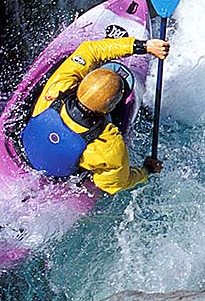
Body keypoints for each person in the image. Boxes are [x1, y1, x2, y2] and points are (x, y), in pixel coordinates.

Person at [21, 36, 170, 194]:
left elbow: (90, 50)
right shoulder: (108, 143)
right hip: (63, 175)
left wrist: (142, 46)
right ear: (110, 107)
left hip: (27, 146)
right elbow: (114, 184)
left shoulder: (58, 87)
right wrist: (146, 170)